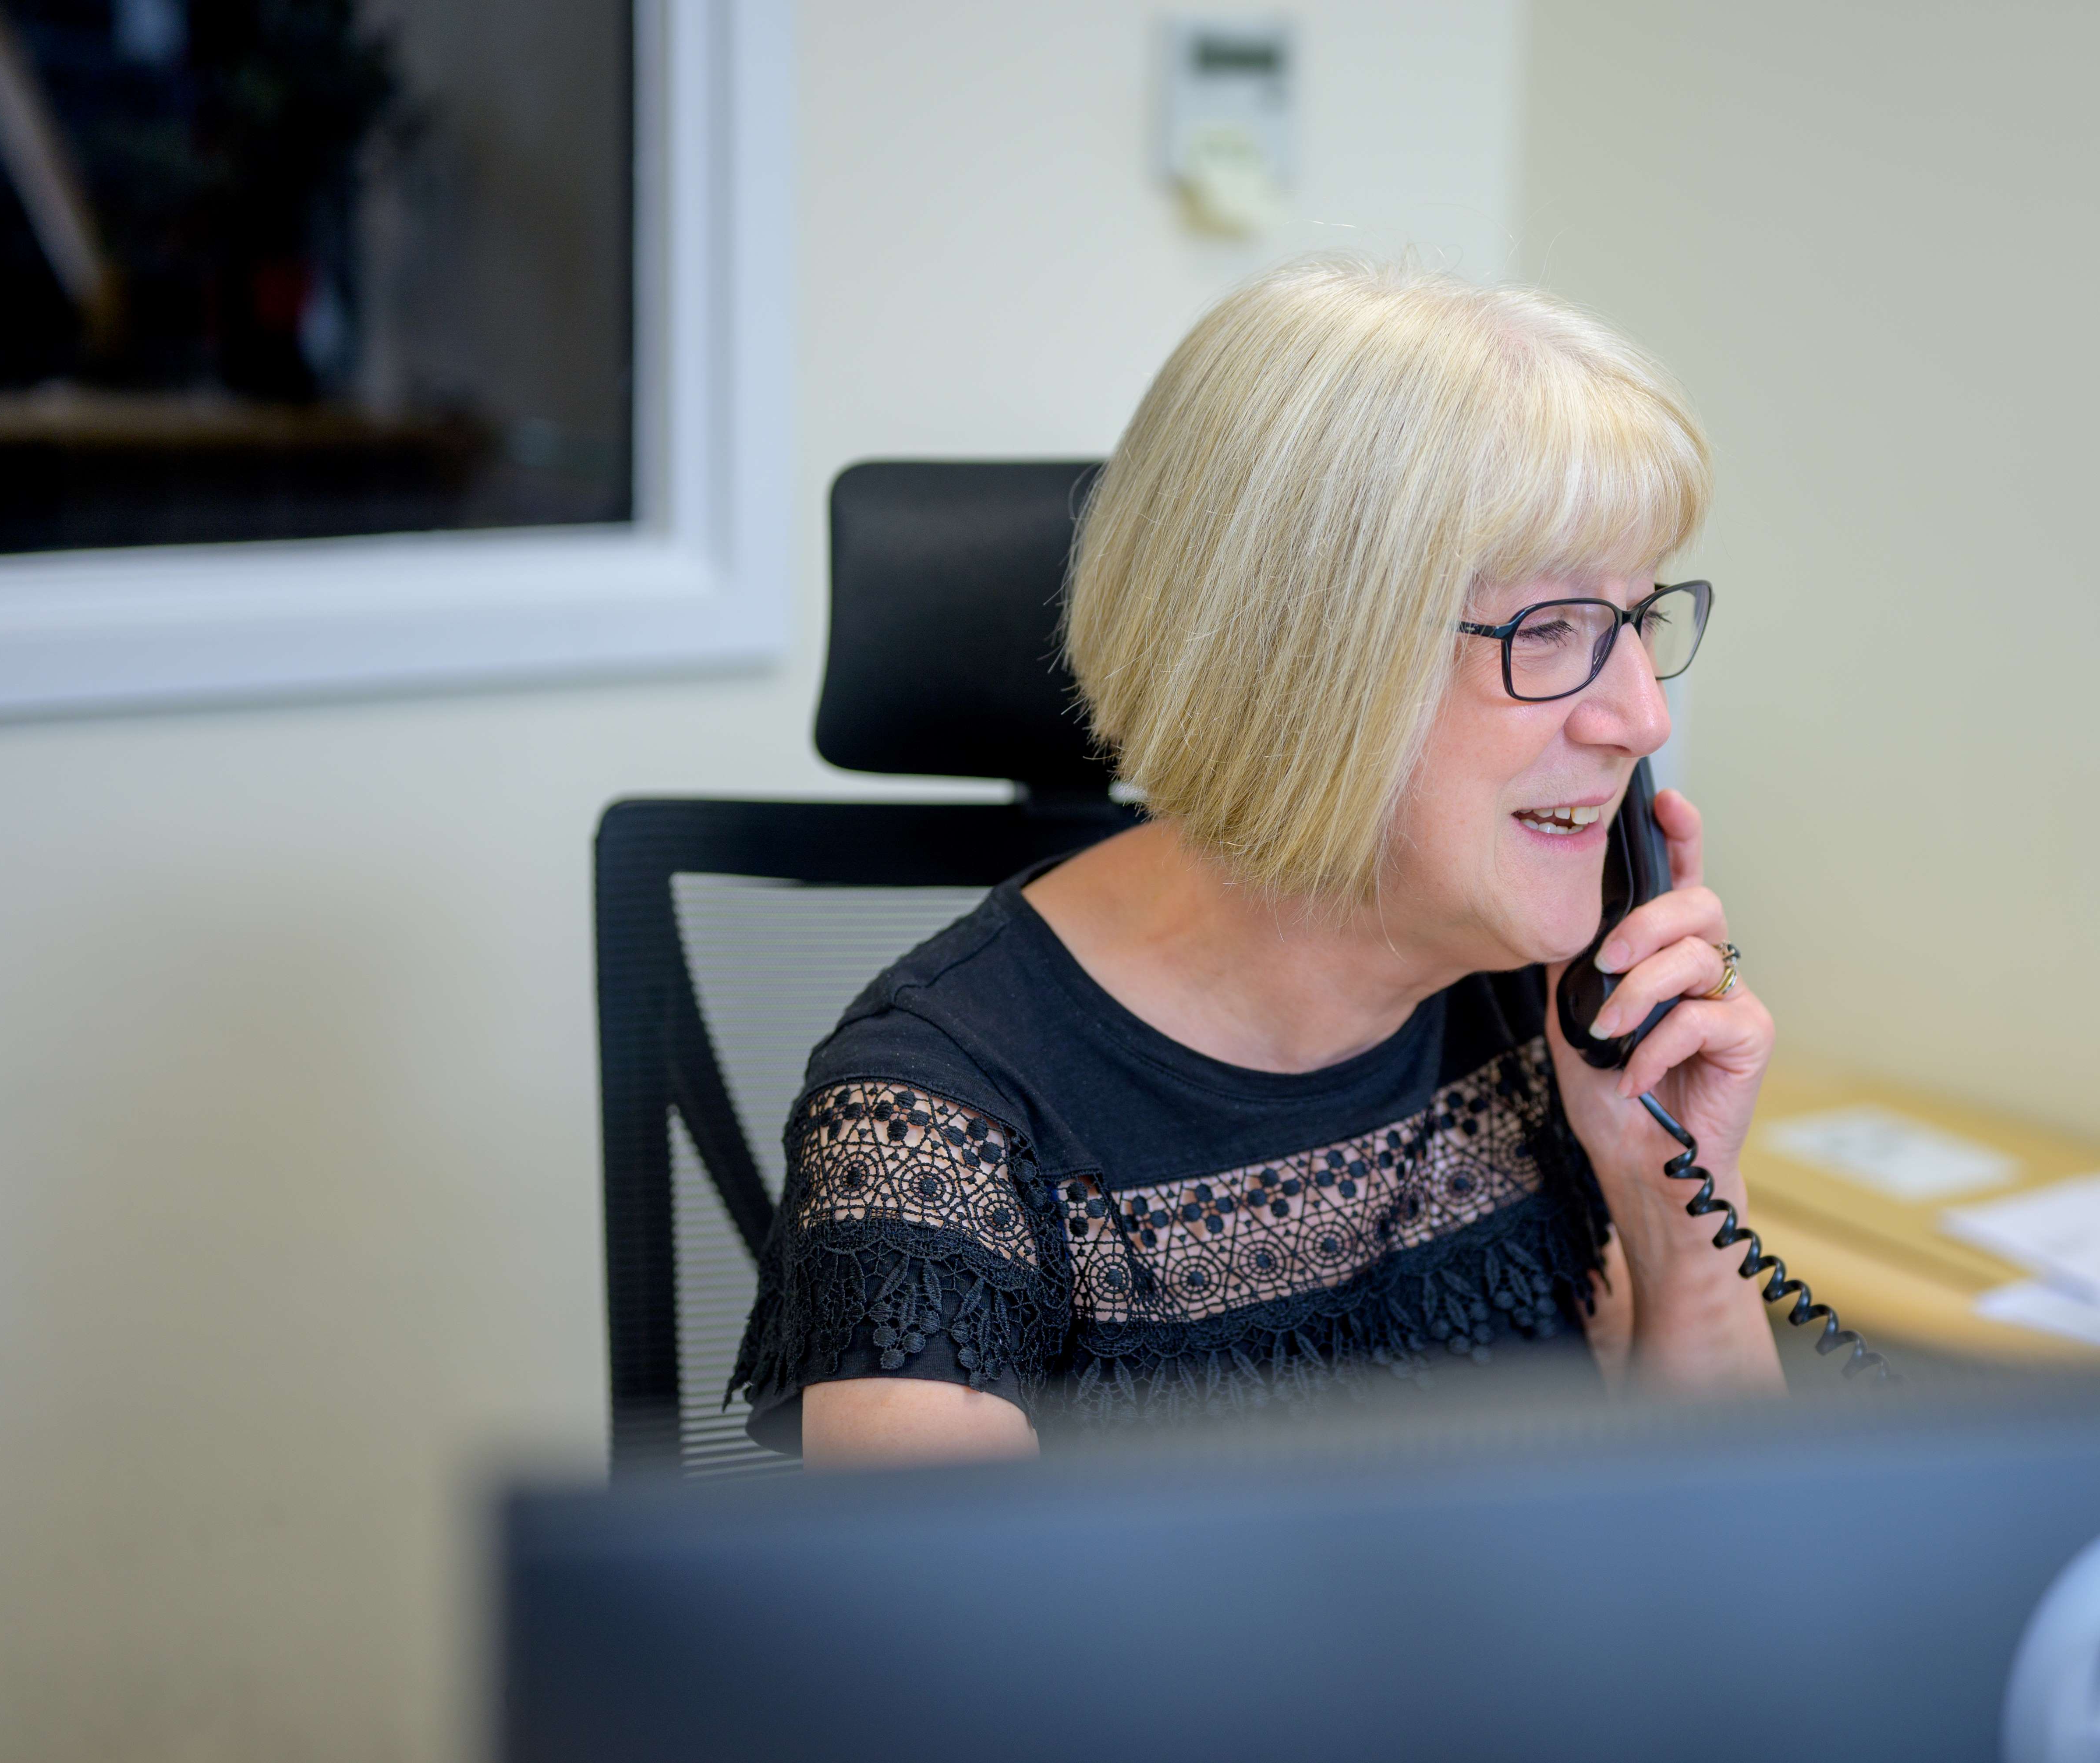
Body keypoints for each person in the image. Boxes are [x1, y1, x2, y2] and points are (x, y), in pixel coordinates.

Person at [730, 258, 1784, 1467]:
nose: (1642, 720)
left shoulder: (1534, 1005)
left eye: (1639, 621)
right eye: (1552, 630)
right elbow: (954, 1656)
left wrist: (1675, 1196)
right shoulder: (937, 1133)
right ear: (1305, 661)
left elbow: (1708, 1573)